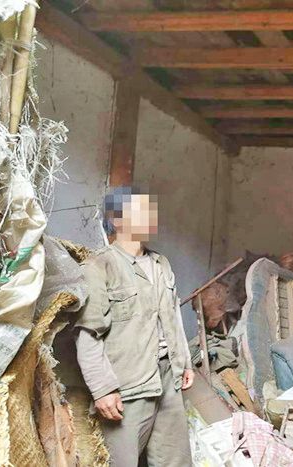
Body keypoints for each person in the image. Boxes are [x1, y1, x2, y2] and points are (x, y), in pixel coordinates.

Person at [74, 187, 194, 467]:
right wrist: (102, 389)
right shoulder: (99, 265)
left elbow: (173, 316)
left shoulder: (161, 263)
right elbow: (88, 333)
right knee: (121, 461)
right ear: (117, 219)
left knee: (174, 460)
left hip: (168, 377)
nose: (151, 217)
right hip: (128, 384)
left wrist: (185, 362)